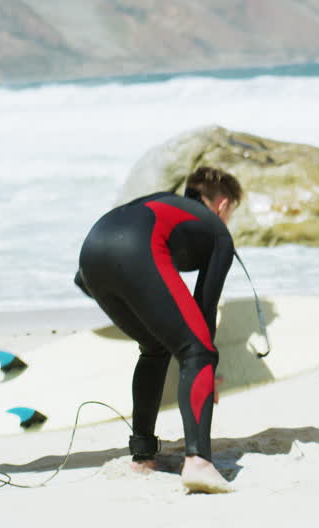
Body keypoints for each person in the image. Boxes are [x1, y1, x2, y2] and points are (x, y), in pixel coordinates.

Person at [74, 166, 243, 494]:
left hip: (91, 257)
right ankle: (198, 462)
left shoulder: (167, 205)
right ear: (222, 205)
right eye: (232, 212)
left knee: (154, 345)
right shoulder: (217, 233)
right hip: (137, 248)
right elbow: (203, 309)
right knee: (198, 350)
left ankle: (143, 456)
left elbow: (88, 278)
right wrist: (204, 371)